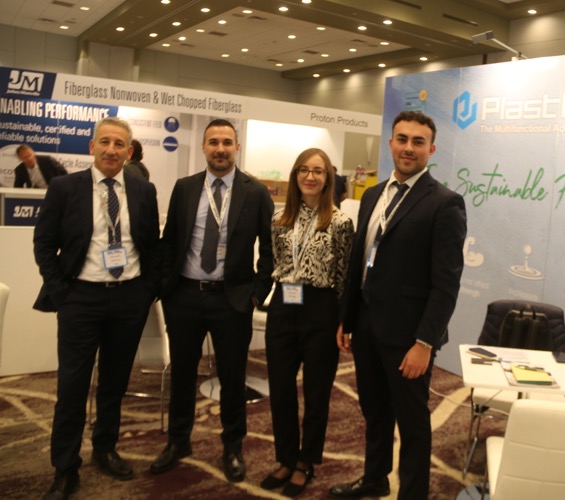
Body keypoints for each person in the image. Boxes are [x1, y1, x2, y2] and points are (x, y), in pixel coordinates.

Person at [328, 111, 467, 499]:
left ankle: (413, 494)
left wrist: (425, 342)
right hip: (367, 326)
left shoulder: (445, 203)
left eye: (418, 142)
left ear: (431, 150)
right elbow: (360, 262)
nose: (408, 148)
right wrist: (347, 318)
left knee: (412, 421)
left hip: (409, 338)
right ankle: (374, 479)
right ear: (390, 143)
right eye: (402, 139)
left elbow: (446, 284)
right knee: (374, 410)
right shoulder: (373, 195)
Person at [33, 117, 160, 500]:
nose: (111, 150)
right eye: (104, 142)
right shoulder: (64, 187)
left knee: (114, 383)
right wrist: (62, 293)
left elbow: (151, 244)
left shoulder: (143, 190)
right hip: (81, 299)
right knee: (72, 386)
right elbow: (44, 244)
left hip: (129, 298)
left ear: (129, 151)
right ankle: (65, 467)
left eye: (119, 144)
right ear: (92, 147)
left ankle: (105, 448)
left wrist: (147, 290)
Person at [150, 118, 274, 483]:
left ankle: (232, 446)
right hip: (185, 297)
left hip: (231, 301)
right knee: (182, 374)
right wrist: (166, 287)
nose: (220, 149)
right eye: (214, 142)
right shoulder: (185, 188)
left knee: (232, 378)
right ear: (204, 147)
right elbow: (170, 241)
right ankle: (178, 442)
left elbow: (270, 249)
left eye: (227, 142)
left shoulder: (256, 193)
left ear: (237, 147)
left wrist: (256, 294)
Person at [260, 149, 354, 497]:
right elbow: (276, 261)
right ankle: (286, 458)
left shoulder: (340, 223)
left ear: (328, 178)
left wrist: (344, 321)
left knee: (317, 392)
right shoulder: (279, 219)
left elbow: (344, 276)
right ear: (295, 175)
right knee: (281, 389)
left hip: (321, 309)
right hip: (284, 307)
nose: (310, 177)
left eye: (318, 171)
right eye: (304, 170)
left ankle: (305, 462)